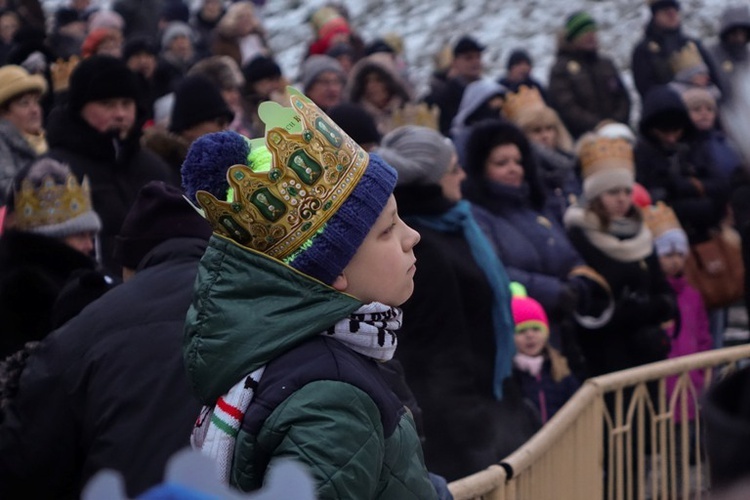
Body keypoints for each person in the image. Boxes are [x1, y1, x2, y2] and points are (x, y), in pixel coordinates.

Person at [182, 90, 439, 498]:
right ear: (331, 269)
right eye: (387, 230)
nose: (413, 236)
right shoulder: (331, 400)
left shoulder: (308, 359)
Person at [0, 181, 212, 498]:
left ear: (129, 262)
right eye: (81, 235)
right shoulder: (257, 305)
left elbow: (24, 465)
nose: (88, 246)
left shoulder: (83, 332)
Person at [376, 125, 539, 481]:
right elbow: (439, 355)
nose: (463, 174)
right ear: (431, 179)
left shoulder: (456, 226)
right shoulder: (424, 246)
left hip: (489, 404)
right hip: (462, 428)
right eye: (454, 168)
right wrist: (477, 438)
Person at [462, 119, 609, 374]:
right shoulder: (478, 216)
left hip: (563, 332)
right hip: (522, 338)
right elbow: (495, 270)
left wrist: (581, 280)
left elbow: (567, 253)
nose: (513, 169)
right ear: (481, 169)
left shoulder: (534, 205)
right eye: (501, 163)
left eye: (518, 162)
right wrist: (554, 292)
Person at [45, 55, 174, 276]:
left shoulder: (154, 167)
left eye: (126, 104)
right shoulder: (55, 170)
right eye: (107, 104)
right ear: (80, 108)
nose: (120, 114)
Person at [564, 134, 676, 376]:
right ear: (596, 196)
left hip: (647, 351)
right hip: (606, 355)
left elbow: (659, 284)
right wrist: (641, 310)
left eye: (626, 190)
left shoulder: (641, 233)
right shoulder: (579, 234)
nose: (622, 198)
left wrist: (664, 304)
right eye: (612, 192)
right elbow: (591, 302)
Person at [0, 158, 103, 359]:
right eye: (80, 235)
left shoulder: (75, 282)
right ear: (53, 238)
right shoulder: (28, 289)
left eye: (91, 236)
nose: (90, 246)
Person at [634, 85, 729, 244]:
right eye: (665, 132)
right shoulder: (642, 156)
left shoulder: (696, 146)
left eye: (676, 130)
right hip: (669, 235)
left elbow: (721, 184)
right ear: (652, 129)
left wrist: (691, 185)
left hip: (711, 230)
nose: (671, 138)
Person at [643, 202, 711, 420]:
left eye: (679, 254)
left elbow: (703, 337)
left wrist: (705, 374)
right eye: (667, 254)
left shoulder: (693, 295)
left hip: (692, 384)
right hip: (665, 389)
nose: (675, 261)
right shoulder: (653, 298)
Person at [502, 85, 581, 223]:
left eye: (549, 128)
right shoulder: (523, 171)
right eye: (536, 131)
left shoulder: (569, 164)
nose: (545, 136)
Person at [548, 11, 630, 138]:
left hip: (618, 131)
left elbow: (623, 97)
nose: (591, 36)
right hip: (582, 137)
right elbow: (566, 106)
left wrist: (615, 121)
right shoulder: (560, 70)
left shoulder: (606, 64)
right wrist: (597, 125)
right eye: (584, 32)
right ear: (572, 38)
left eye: (593, 31)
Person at [510, 283, 580, 424]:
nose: (530, 336)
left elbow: (578, 404)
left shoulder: (560, 369)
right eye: (521, 331)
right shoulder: (510, 375)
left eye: (536, 329)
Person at [631, 0, 723, 100]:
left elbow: (716, 79)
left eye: (675, 11)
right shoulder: (644, 51)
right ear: (655, 15)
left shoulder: (693, 44)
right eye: (666, 11)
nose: (672, 15)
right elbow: (647, 90)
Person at [0, 64, 46, 204]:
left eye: (36, 102)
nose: (35, 110)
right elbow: (7, 190)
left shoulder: (49, 140)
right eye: (24, 104)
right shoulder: (2, 145)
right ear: (3, 113)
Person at [423, 35, 485, 136]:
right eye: (468, 58)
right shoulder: (440, 96)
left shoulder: (488, 93)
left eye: (478, 57)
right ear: (455, 62)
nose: (475, 62)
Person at [345, 52, 414, 136]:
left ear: (390, 83)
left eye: (378, 80)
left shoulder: (411, 114)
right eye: (366, 81)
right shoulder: (355, 120)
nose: (371, 86)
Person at [708, 5, 750, 98]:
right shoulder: (711, 54)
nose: (739, 38)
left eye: (743, 33)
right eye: (734, 33)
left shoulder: (747, 56)